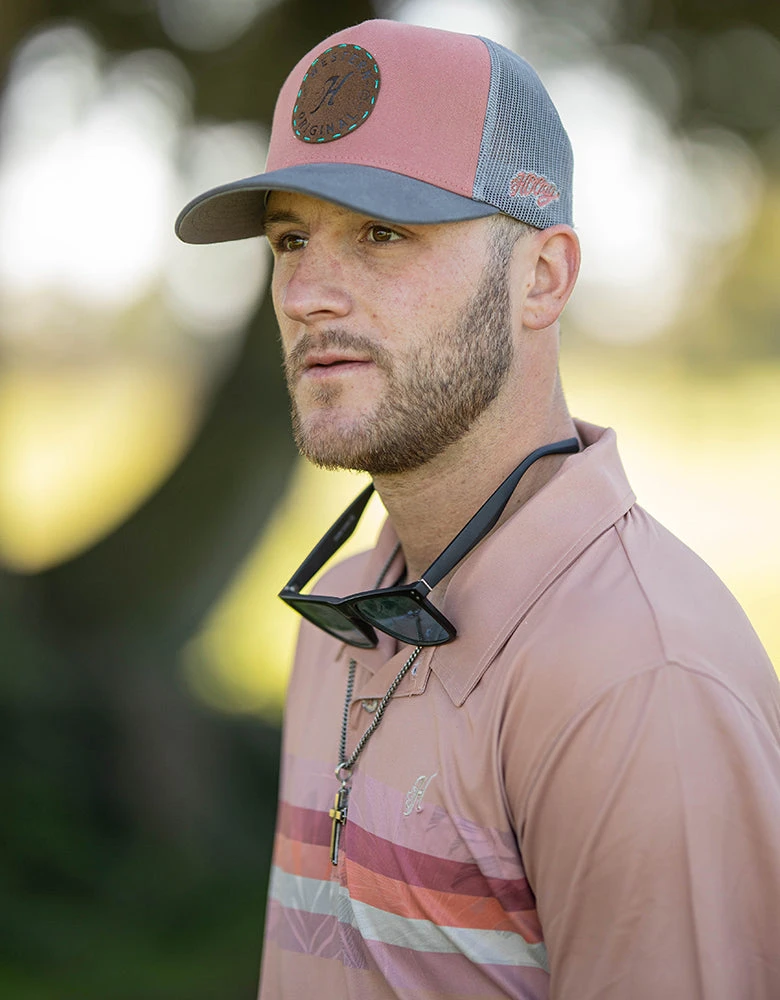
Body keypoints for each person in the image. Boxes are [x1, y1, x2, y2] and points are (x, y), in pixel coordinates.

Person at [176, 18, 780, 1000]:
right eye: (292, 238)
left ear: (542, 277)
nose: (309, 292)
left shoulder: (643, 681)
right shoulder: (338, 617)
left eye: (382, 233)